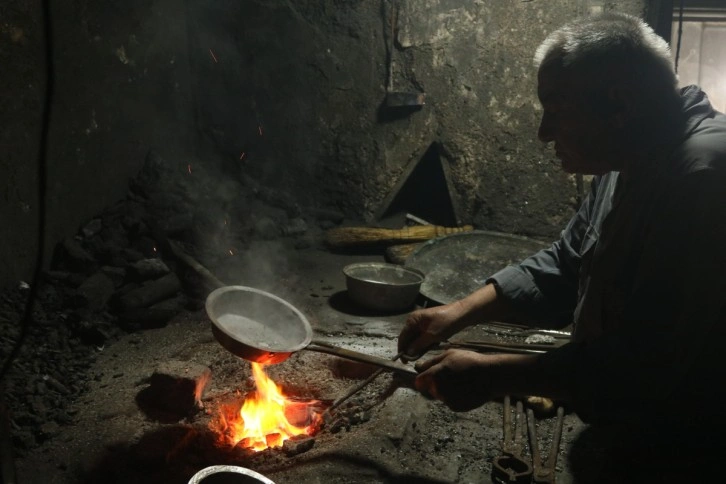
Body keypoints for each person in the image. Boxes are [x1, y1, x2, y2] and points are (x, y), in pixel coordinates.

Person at [398, 11, 726, 481]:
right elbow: (567, 261)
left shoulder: (703, 179)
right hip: (632, 424)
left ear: (619, 105)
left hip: (692, 446)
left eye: (555, 109)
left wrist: (493, 375)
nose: (543, 133)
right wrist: (458, 313)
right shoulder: (628, 159)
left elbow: (642, 364)